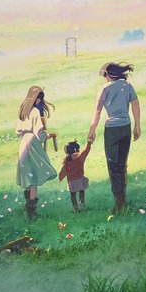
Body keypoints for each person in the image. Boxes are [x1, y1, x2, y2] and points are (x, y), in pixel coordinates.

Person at [87, 62, 140, 212]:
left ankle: (119, 204)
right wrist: (137, 125)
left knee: (113, 166)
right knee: (122, 165)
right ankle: (123, 199)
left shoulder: (103, 89)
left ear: (109, 75)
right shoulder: (127, 86)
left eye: (105, 75)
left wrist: (91, 131)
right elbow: (135, 105)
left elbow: (97, 112)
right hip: (126, 127)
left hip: (112, 129)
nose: (104, 78)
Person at [16, 86, 57, 218]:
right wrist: (47, 135)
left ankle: (28, 208)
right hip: (32, 144)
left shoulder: (23, 111)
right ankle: (31, 212)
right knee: (33, 177)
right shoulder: (34, 112)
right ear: (35, 98)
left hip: (23, 143)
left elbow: (18, 131)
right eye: (39, 98)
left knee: (28, 174)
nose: (40, 101)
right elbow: (40, 134)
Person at [59, 140, 91, 213]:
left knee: (73, 195)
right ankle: (82, 203)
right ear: (76, 150)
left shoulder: (66, 161)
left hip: (71, 182)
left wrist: (60, 177)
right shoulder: (80, 158)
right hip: (80, 179)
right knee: (81, 191)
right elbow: (85, 151)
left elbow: (63, 171)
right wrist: (88, 143)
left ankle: (75, 208)